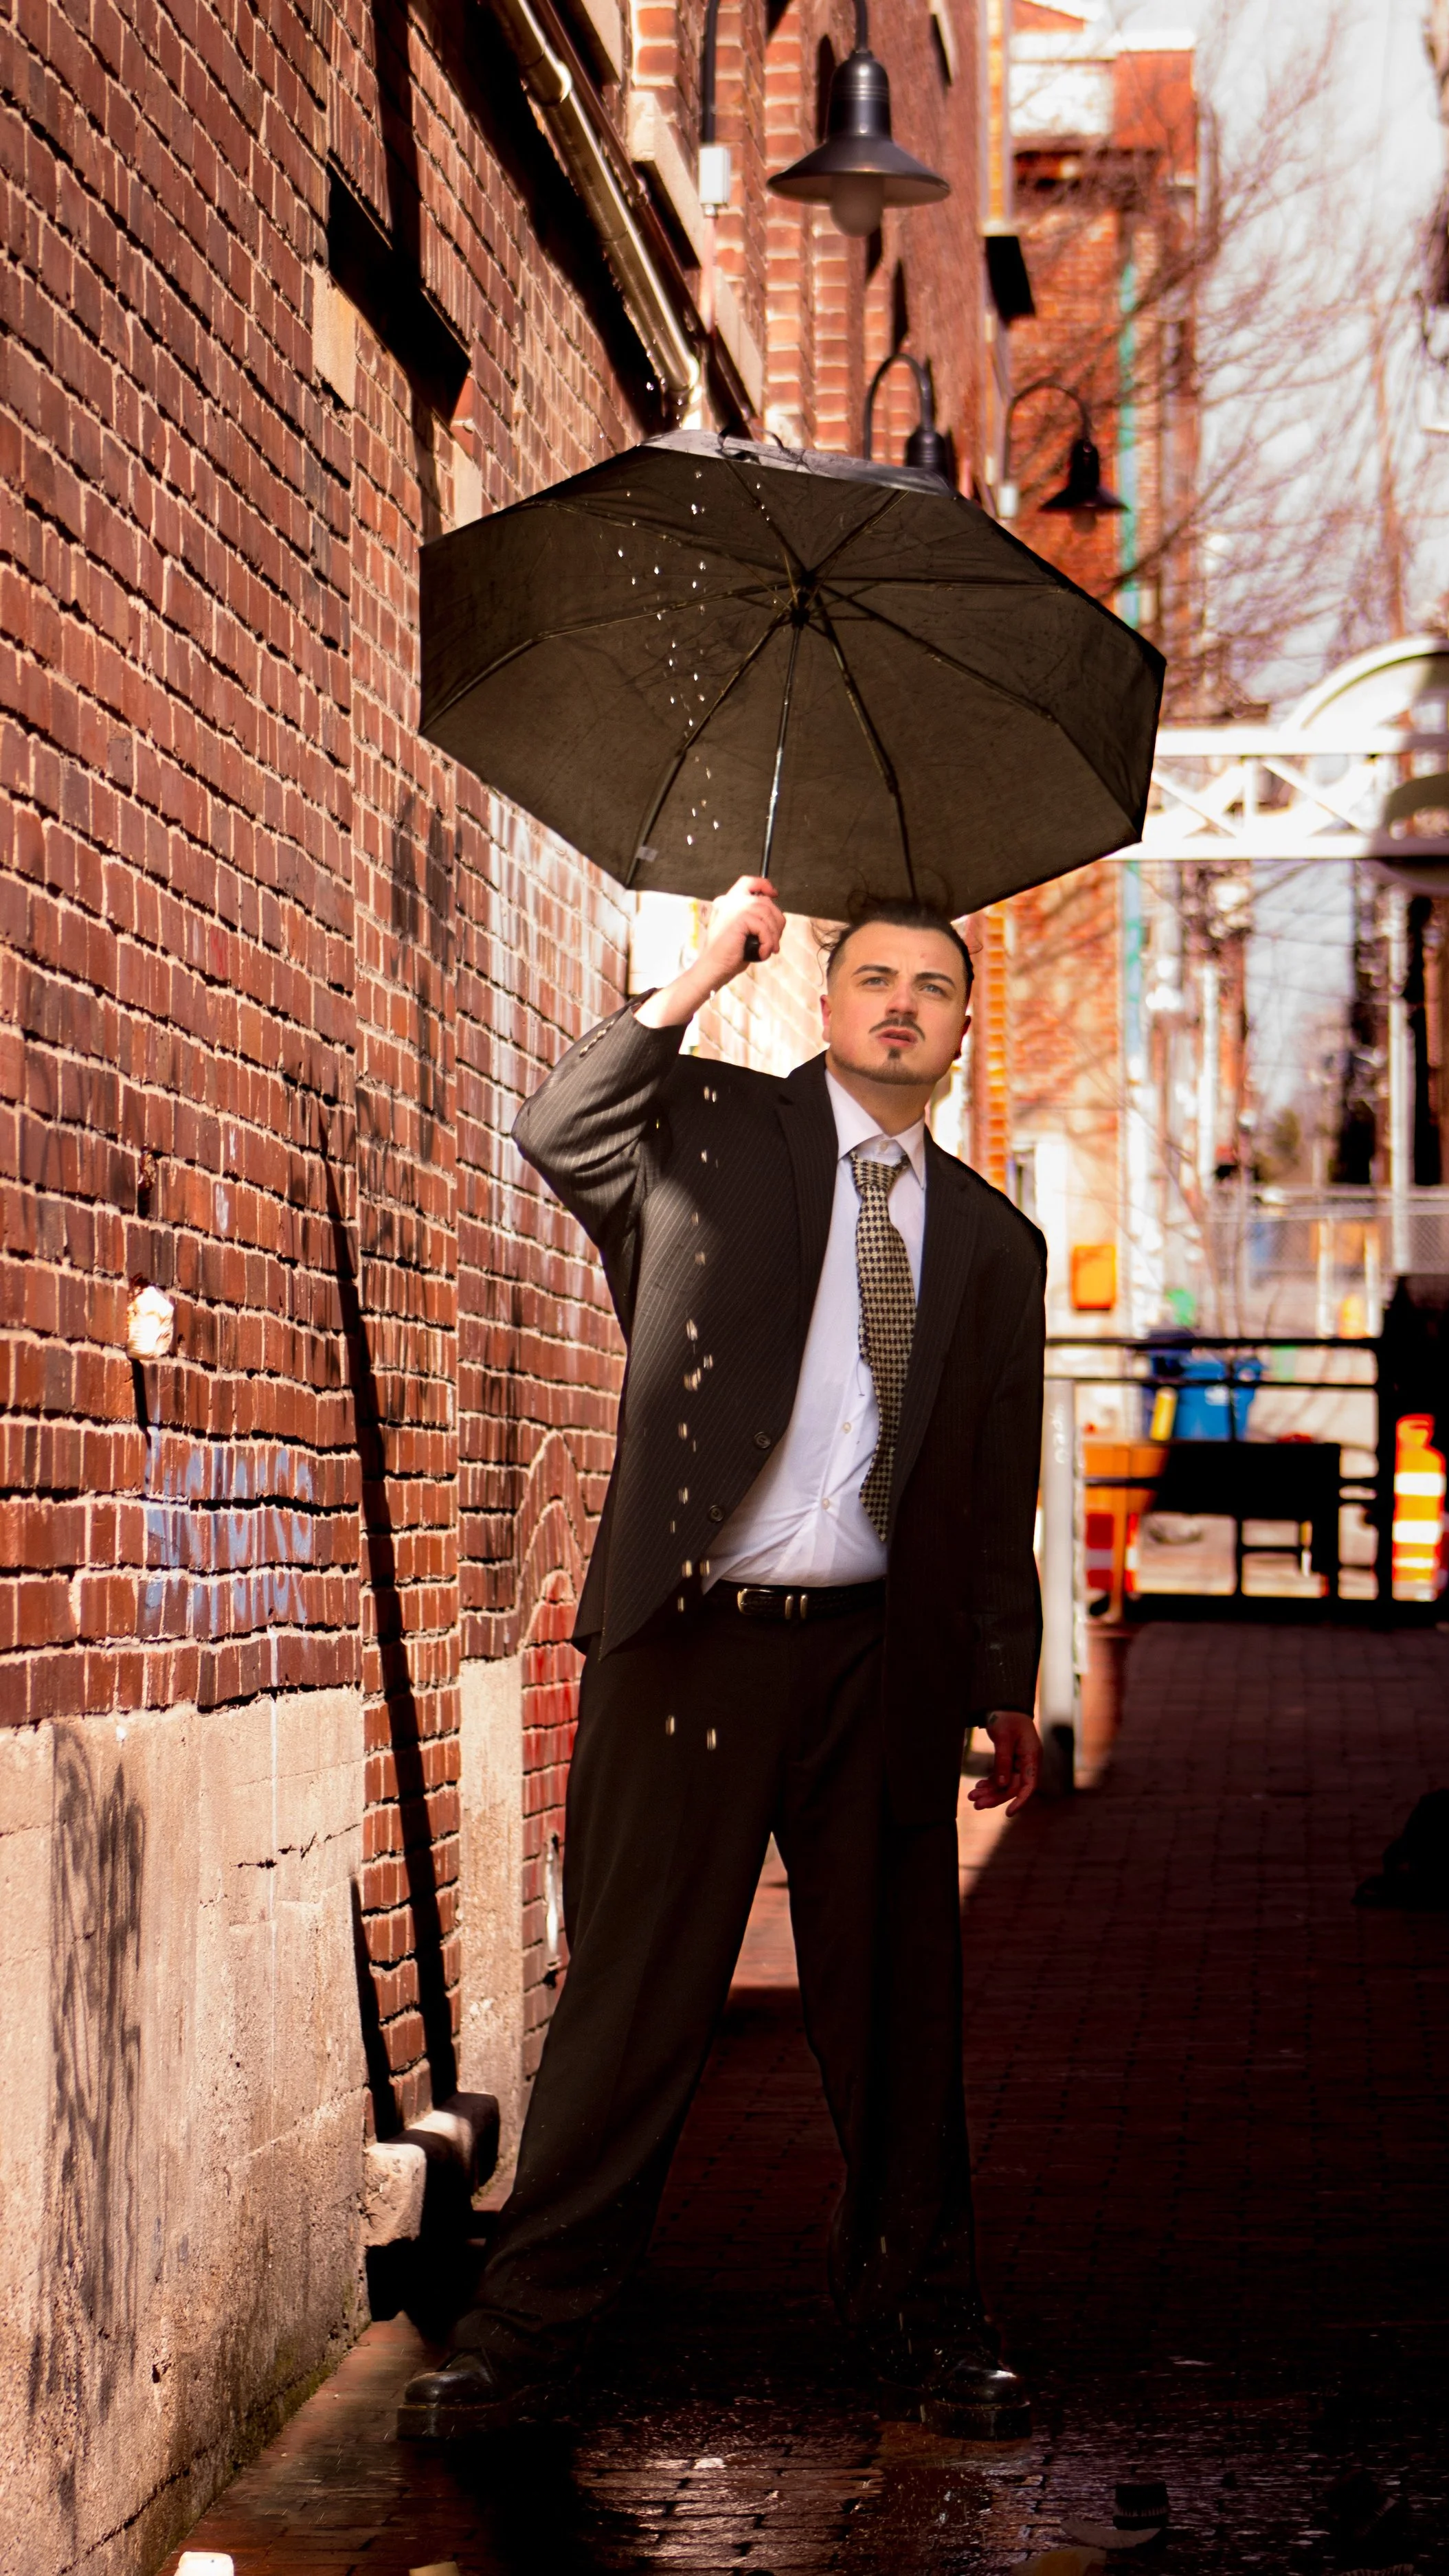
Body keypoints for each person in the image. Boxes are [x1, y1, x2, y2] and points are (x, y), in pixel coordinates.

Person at [400, 874, 1048, 2441]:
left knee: (899, 2014)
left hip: (872, 1664)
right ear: (825, 1008)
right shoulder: (706, 1140)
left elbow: (985, 1475)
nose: (900, 1003)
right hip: (691, 1648)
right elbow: (560, 1126)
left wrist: (1000, 1674)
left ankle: (920, 2319)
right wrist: (698, 966)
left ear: (958, 1032)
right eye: (872, 978)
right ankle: (527, 2337)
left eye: (932, 988)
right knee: (632, 1998)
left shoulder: (989, 1242)